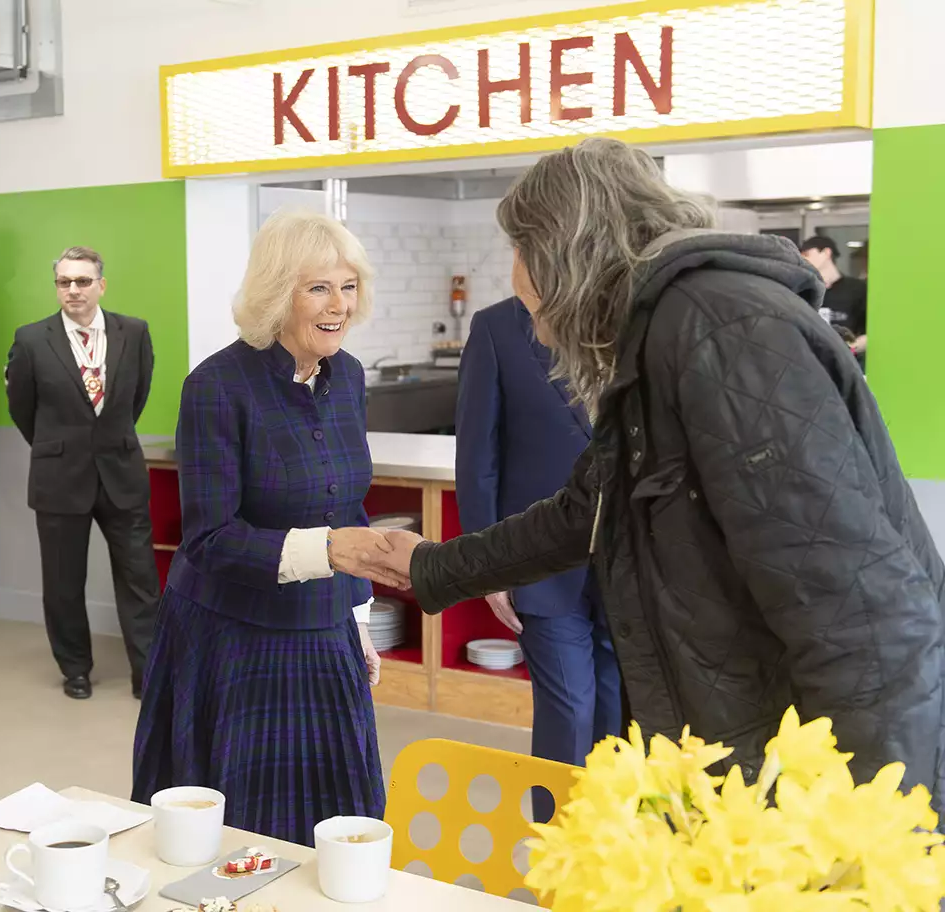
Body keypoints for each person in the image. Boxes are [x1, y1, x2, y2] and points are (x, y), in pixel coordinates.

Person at [365, 138, 945, 810]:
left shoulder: (717, 328)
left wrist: (884, 839)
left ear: (563, 252)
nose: (517, 286)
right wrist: (435, 566)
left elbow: (859, 613)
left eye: (516, 254)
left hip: (799, 791)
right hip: (733, 758)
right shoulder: (662, 333)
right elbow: (589, 507)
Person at [131, 210, 404, 847]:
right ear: (278, 293)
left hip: (324, 627)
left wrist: (357, 622)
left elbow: (347, 507)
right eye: (319, 288)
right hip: (233, 636)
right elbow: (209, 538)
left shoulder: (350, 377)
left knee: (339, 821)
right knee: (239, 830)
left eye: (348, 286)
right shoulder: (217, 387)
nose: (339, 305)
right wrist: (330, 550)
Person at [455, 296, 620, 818]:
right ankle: (557, 858)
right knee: (570, 709)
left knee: (620, 709)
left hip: (630, 559)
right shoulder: (496, 328)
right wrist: (488, 564)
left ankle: (613, 853)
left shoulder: (636, 310)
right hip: (541, 561)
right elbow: (477, 457)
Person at [5, 247, 161, 700]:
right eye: (64, 282)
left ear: (100, 285)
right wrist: (59, 446)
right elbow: (22, 410)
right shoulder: (32, 339)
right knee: (63, 583)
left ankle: (147, 672)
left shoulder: (133, 332)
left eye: (82, 281)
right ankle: (75, 668)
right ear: (57, 286)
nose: (73, 290)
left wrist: (106, 438)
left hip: (121, 471)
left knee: (140, 580)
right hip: (59, 477)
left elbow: (137, 397)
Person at [800, 235, 868, 367]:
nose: (803, 259)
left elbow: (870, 333)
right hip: (810, 365)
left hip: (848, 366)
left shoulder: (857, 289)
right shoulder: (803, 290)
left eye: (807, 254)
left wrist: (849, 348)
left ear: (826, 253)